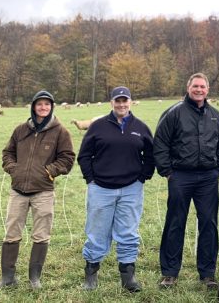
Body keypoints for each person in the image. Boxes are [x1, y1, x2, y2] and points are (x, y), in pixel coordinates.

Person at [153, 72, 219, 290]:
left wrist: (218, 167)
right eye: (195, 86)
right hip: (180, 176)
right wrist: (168, 171)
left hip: (207, 177)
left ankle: (207, 273)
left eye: (202, 87)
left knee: (208, 223)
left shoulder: (215, 115)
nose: (199, 90)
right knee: (175, 222)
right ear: (188, 88)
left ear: (207, 90)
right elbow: (160, 144)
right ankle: (169, 273)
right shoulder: (174, 113)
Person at [77, 86, 155, 292]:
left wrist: (142, 177)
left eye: (125, 100)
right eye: (117, 101)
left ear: (130, 102)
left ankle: (128, 278)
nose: (121, 104)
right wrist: (90, 179)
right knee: (97, 233)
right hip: (101, 188)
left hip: (131, 189)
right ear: (111, 102)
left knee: (128, 233)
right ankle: (91, 276)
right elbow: (84, 155)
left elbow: (150, 154)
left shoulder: (141, 127)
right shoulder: (98, 126)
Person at [0, 90, 74, 289]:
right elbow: (8, 152)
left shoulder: (60, 131)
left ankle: (34, 279)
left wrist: (49, 171)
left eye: (47, 104)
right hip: (18, 190)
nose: (43, 108)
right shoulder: (21, 130)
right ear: (33, 106)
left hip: (43, 191)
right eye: (39, 104)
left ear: (51, 107)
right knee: (11, 233)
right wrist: (13, 169)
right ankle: (7, 278)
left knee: (41, 234)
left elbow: (67, 158)